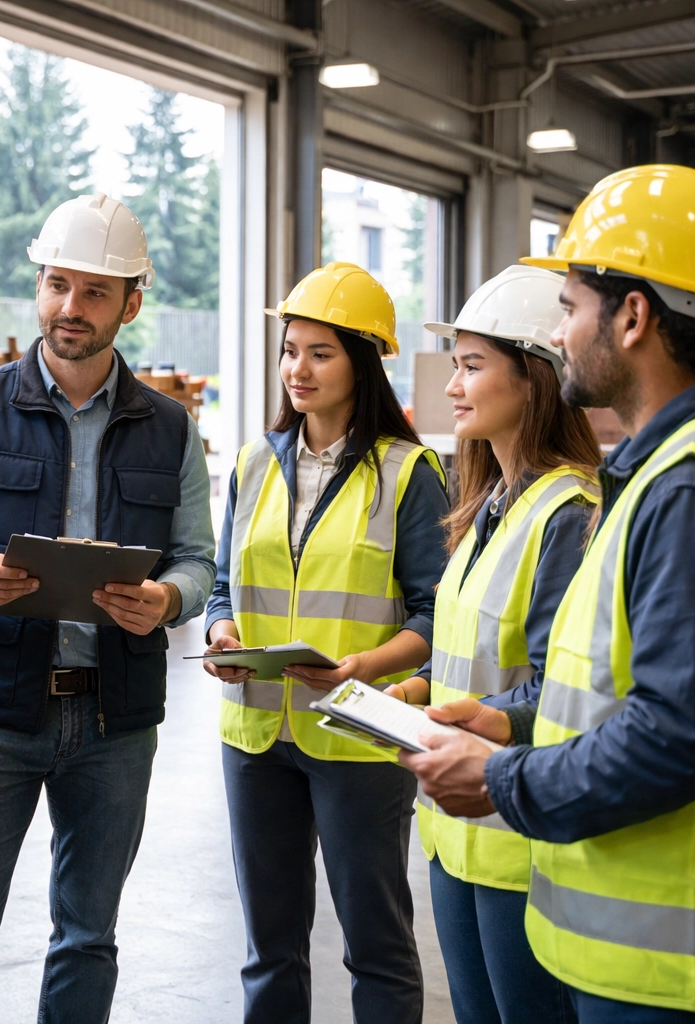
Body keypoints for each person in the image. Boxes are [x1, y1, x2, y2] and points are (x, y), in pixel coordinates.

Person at [402, 164, 695, 1022]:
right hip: (664, 949)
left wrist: (505, 777)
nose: (560, 333)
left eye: (570, 309)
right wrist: (512, 720)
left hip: (690, 966)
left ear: (633, 316)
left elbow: (682, 736)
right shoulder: (670, 475)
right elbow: (618, 689)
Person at [0, 192, 216, 1024]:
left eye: (95, 291)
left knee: (87, 933)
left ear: (131, 304)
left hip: (115, 721)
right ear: (39, 286)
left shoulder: (172, 431)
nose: (71, 308)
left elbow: (195, 560)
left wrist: (167, 600)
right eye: (57, 285)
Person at [202, 261, 449, 1024]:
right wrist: (221, 629)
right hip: (255, 732)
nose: (297, 369)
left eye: (320, 352)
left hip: (358, 732)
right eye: (289, 350)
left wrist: (363, 669)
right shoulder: (251, 462)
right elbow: (221, 584)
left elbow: (437, 614)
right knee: (269, 944)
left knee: (375, 941)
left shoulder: (409, 473)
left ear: (363, 362)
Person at [397, 264, 598, 1024]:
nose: (453, 386)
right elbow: (464, 650)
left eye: (473, 367)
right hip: (455, 831)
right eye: (455, 366)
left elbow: (562, 685)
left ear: (537, 378)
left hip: (520, 836)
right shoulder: (486, 508)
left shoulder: (569, 514)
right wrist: (412, 695)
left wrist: (476, 721)